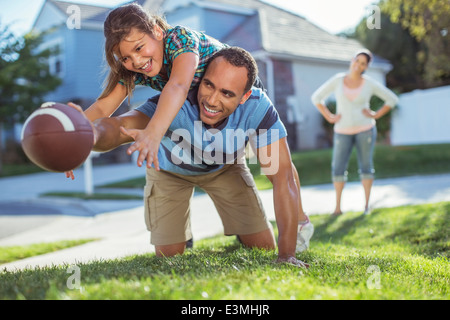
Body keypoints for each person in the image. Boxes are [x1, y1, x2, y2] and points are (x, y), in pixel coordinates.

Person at [69, 47, 314, 267]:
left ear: (245, 97)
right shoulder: (174, 101)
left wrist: (287, 255)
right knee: (169, 258)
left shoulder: (259, 110)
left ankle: (241, 228)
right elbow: (119, 127)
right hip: (169, 172)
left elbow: (283, 178)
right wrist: (90, 133)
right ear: (200, 79)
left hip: (225, 168)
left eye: (227, 93)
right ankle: (182, 237)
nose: (212, 100)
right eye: (209, 85)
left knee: (263, 247)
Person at [65, 2, 229, 180]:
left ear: (157, 32)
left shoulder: (179, 38)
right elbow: (103, 107)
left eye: (139, 48)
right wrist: (73, 142)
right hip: (199, 102)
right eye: (125, 58)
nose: (136, 61)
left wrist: (154, 132)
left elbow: (178, 85)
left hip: (237, 87)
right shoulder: (132, 69)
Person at [311, 49, 398, 216]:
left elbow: (391, 99)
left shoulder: (369, 83)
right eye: (357, 61)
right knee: (337, 168)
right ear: (352, 61)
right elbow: (317, 98)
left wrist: (375, 114)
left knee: (366, 167)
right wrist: (329, 116)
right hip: (342, 131)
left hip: (365, 130)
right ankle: (337, 208)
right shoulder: (338, 80)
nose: (359, 65)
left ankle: (366, 206)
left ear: (366, 67)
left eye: (363, 63)